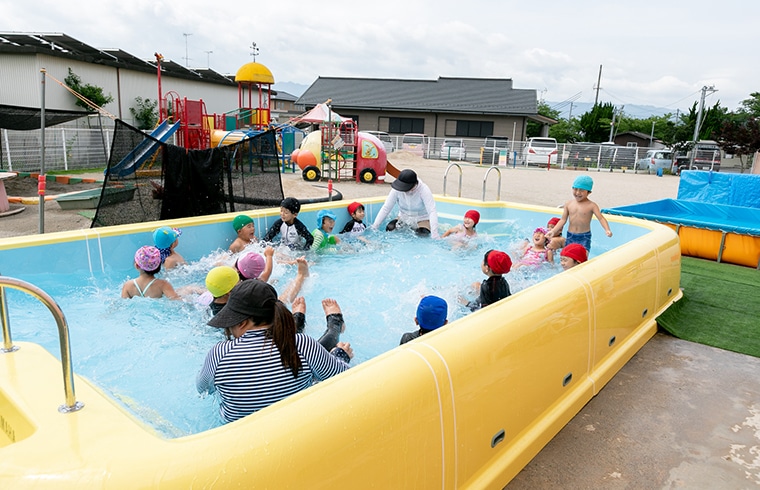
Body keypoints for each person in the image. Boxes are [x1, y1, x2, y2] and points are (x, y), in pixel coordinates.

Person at [196, 280, 353, 423]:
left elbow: (203, 389)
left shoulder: (219, 354)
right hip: (298, 426)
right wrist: (340, 356)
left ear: (242, 323)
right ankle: (335, 334)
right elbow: (342, 378)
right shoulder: (301, 342)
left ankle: (300, 319)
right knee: (324, 365)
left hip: (243, 441)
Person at [546, 175, 612, 252]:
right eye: (575, 189)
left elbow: (601, 218)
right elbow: (563, 220)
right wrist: (553, 231)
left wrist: (607, 229)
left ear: (588, 192)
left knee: (582, 256)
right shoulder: (569, 204)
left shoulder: (592, 205)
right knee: (569, 256)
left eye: (581, 190)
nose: (577, 192)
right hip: (571, 235)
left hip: (584, 236)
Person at [371, 169, 439, 238]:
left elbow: (432, 211)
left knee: (422, 234)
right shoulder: (397, 189)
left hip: (421, 219)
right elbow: (386, 207)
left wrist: (435, 234)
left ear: (414, 185)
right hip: (404, 218)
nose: (403, 190)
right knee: (390, 228)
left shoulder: (424, 190)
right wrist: (375, 226)